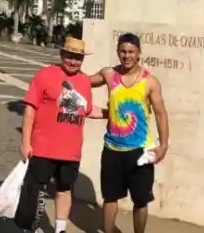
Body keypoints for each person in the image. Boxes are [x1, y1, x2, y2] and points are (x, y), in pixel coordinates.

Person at [90, 32, 170, 233]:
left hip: (140, 150)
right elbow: (84, 82)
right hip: (112, 149)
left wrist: (163, 145)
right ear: (118, 52)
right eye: (123, 51)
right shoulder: (109, 74)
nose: (127, 56)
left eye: (131, 52)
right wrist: (61, 75)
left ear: (139, 53)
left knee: (141, 200)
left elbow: (161, 114)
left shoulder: (149, 82)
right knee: (110, 197)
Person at [19, 36, 97, 233]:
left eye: (77, 58)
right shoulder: (44, 75)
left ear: (83, 60)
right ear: (62, 54)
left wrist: (112, 113)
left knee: (64, 190)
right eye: (69, 56)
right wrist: (25, 142)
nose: (73, 61)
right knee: (35, 191)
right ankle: (32, 227)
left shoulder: (85, 82)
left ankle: (60, 229)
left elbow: (86, 109)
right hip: (43, 147)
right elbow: (30, 110)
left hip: (70, 150)